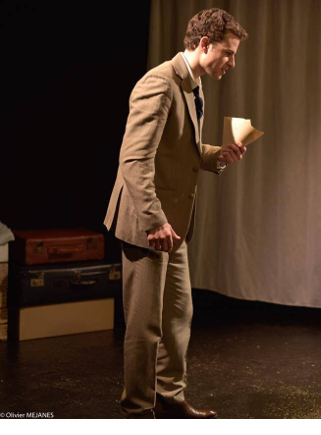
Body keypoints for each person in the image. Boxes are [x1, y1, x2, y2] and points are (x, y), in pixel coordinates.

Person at [103, 9, 248, 418]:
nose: (231, 63)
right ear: (204, 44)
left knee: (179, 314)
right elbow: (134, 160)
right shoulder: (159, 83)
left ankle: (168, 394)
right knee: (145, 324)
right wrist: (154, 220)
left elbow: (178, 151)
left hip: (174, 224)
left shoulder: (192, 85)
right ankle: (137, 408)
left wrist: (216, 155)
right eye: (228, 53)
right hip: (147, 222)